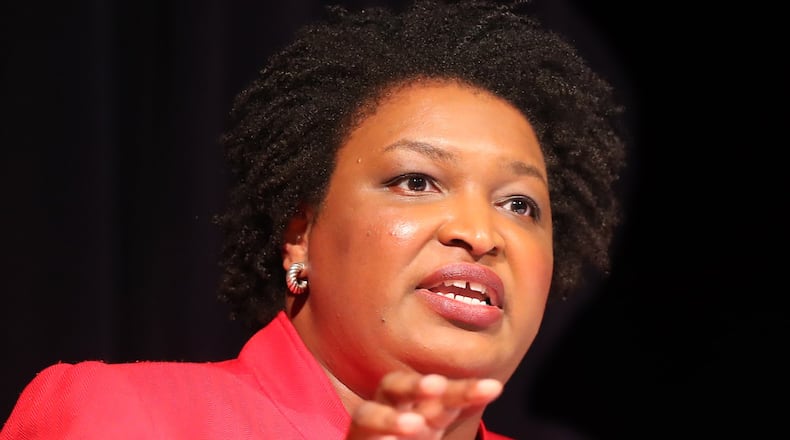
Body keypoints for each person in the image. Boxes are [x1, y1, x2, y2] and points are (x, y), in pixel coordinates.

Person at [0, 0, 627, 438]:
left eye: (520, 204)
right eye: (416, 181)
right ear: (300, 235)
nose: (481, 232)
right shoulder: (119, 419)